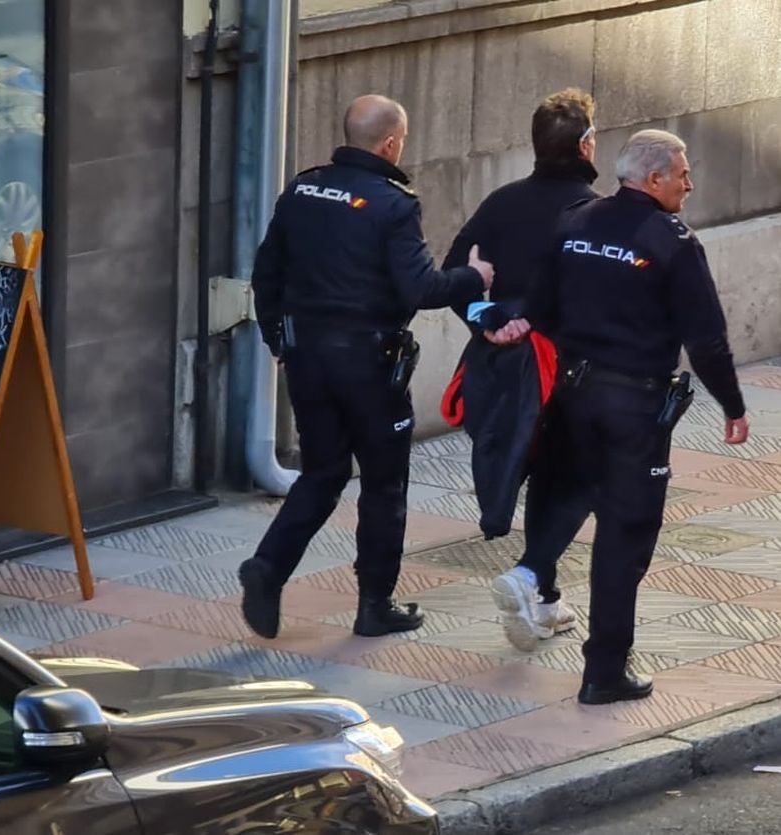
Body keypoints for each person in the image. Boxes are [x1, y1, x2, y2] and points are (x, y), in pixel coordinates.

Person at [238, 94, 495, 639]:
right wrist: (476, 277)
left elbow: (266, 275)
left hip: (305, 357)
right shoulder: (394, 204)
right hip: (368, 364)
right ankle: (374, 605)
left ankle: (268, 567)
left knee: (324, 472)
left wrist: (277, 342)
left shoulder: (302, 188)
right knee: (384, 483)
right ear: (391, 143)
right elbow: (422, 288)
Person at [514, 129, 749, 704]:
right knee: (625, 536)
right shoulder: (673, 242)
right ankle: (603, 673)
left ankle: (533, 579)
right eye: (682, 174)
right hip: (634, 408)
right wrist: (734, 406)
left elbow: (538, 307)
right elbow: (708, 340)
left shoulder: (575, 222)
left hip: (573, 396)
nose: (690, 184)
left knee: (565, 498)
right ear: (653, 179)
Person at [440, 88, 600, 651]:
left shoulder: (501, 203)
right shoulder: (593, 212)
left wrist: (489, 319)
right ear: (585, 146)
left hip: (500, 367)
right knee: (576, 475)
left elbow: (456, 271)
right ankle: (530, 574)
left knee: (536, 472)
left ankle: (547, 599)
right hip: (563, 370)